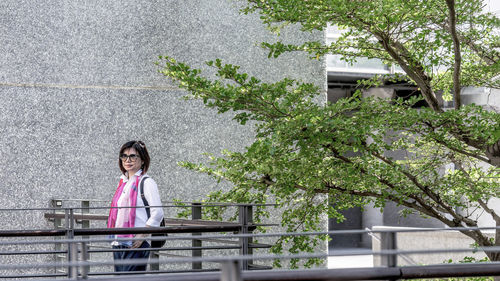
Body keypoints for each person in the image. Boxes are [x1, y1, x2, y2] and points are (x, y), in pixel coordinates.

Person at [107, 141, 164, 272]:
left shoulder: (147, 182)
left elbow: (158, 213)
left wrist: (141, 235)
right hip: (119, 242)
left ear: (143, 160)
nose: (128, 160)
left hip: (135, 243)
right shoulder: (123, 183)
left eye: (133, 156)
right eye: (124, 156)